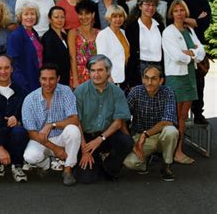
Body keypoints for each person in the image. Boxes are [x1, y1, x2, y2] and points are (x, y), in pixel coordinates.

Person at [74, 55, 133, 183]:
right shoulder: (80, 92)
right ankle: (95, 162)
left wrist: (101, 139)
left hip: (107, 135)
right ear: (89, 73)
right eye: (93, 70)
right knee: (87, 179)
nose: (96, 74)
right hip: (87, 138)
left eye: (100, 70)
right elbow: (76, 121)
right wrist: (85, 150)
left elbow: (118, 122)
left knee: (126, 141)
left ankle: (109, 167)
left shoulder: (117, 92)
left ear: (108, 72)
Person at [22, 64, 81, 186]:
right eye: (44, 79)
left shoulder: (66, 91)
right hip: (41, 139)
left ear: (58, 78)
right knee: (30, 156)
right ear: (39, 79)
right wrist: (55, 149)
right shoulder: (30, 99)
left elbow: (74, 120)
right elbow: (32, 133)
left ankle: (68, 169)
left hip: (61, 136)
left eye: (51, 78)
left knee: (73, 130)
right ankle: (46, 164)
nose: (47, 83)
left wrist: (52, 125)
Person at [162, 0, 205, 165]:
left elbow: (201, 51)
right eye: (176, 11)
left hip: (189, 76)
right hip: (176, 77)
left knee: (183, 116)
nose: (179, 13)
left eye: (182, 10)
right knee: (174, 117)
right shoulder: (168, 32)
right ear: (171, 13)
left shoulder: (189, 30)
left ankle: (178, 151)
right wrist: (192, 54)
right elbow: (176, 56)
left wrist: (191, 52)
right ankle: (172, 151)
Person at [123, 65, 179, 181]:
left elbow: (167, 122)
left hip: (160, 134)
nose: (149, 82)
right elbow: (123, 118)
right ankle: (145, 162)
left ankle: (166, 165)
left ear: (161, 80)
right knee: (129, 162)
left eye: (154, 78)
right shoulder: (135, 92)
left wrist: (146, 134)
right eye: (146, 78)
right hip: (140, 137)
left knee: (171, 131)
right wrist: (130, 141)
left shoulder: (168, 92)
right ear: (142, 79)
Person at [177, 0, 212, 125]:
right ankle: (178, 116)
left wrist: (191, 20)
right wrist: (194, 20)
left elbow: (205, 22)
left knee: (199, 81)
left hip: (197, 45)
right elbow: (174, 19)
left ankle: (198, 113)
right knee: (182, 80)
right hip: (180, 44)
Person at [125, 0, 164, 89]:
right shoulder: (131, 27)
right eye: (147, 4)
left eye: (153, 5)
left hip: (158, 68)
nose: (150, 8)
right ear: (140, 6)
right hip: (139, 68)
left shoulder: (160, 26)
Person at [6, 1, 42, 93]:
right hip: (25, 83)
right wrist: (22, 84)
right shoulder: (16, 35)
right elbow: (13, 63)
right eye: (26, 14)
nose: (29, 17)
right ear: (20, 17)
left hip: (37, 79)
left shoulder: (34, 33)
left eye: (32, 14)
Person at [68, 0, 99, 88]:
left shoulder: (100, 33)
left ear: (93, 14)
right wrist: (75, 80)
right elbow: (72, 58)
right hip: (79, 75)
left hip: (96, 75)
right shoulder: (73, 33)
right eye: (80, 14)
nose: (83, 17)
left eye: (87, 13)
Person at [96, 5, 129, 86]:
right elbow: (101, 59)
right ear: (109, 18)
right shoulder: (103, 34)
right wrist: (108, 77)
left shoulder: (123, 32)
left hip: (124, 75)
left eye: (120, 16)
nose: (118, 19)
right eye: (114, 16)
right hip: (112, 78)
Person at [41, 6, 70, 85]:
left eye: (62, 17)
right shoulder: (47, 38)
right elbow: (49, 61)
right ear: (50, 19)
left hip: (67, 77)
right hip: (56, 79)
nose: (60, 20)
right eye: (56, 17)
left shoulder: (65, 36)